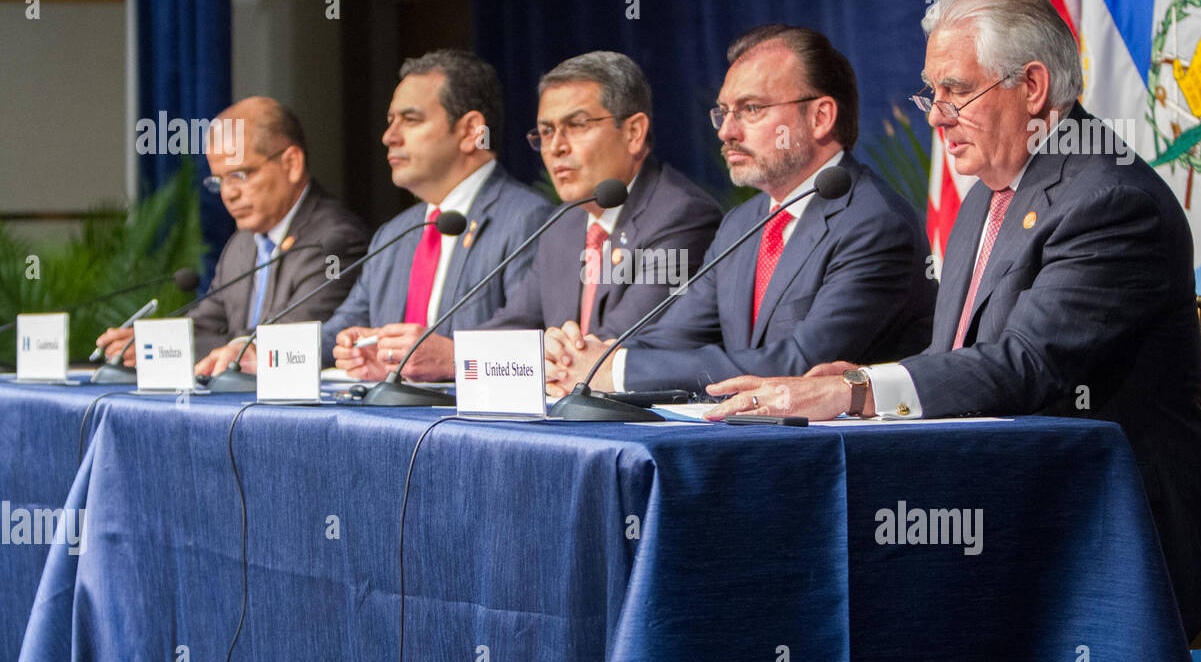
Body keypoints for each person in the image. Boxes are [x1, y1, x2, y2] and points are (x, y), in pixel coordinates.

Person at [706, 0, 1201, 640]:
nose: (935, 113)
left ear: (1032, 88)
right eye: (931, 91)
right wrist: (847, 380)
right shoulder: (988, 194)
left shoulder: (1111, 200)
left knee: (839, 593)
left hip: (1102, 534)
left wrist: (857, 389)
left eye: (955, 90)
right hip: (996, 499)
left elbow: (1025, 366)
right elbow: (961, 362)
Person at [545, 25, 934, 396]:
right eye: (723, 112)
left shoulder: (874, 223)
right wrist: (587, 357)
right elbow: (673, 334)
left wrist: (619, 371)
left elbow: (801, 363)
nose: (726, 131)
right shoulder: (742, 224)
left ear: (821, 117)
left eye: (750, 109)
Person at [94, 96, 371, 371]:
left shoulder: (336, 241)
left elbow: (290, 336)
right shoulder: (242, 243)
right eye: (219, 180)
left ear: (292, 163)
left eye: (240, 175)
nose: (229, 193)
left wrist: (170, 349)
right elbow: (207, 323)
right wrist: (150, 343)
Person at [326, 50, 553, 380]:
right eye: (391, 121)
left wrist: (452, 359)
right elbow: (341, 329)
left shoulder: (529, 220)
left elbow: (532, 344)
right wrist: (259, 350)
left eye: (411, 120)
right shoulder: (394, 233)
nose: (389, 137)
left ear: (470, 131)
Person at [475, 50, 722, 352]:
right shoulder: (562, 225)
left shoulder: (682, 216)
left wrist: (538, 355)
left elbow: (621, 344)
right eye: (547, 131)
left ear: (633, 132)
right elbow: (512, 326)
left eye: (577, 125)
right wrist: (451, 354)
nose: (555, 147)